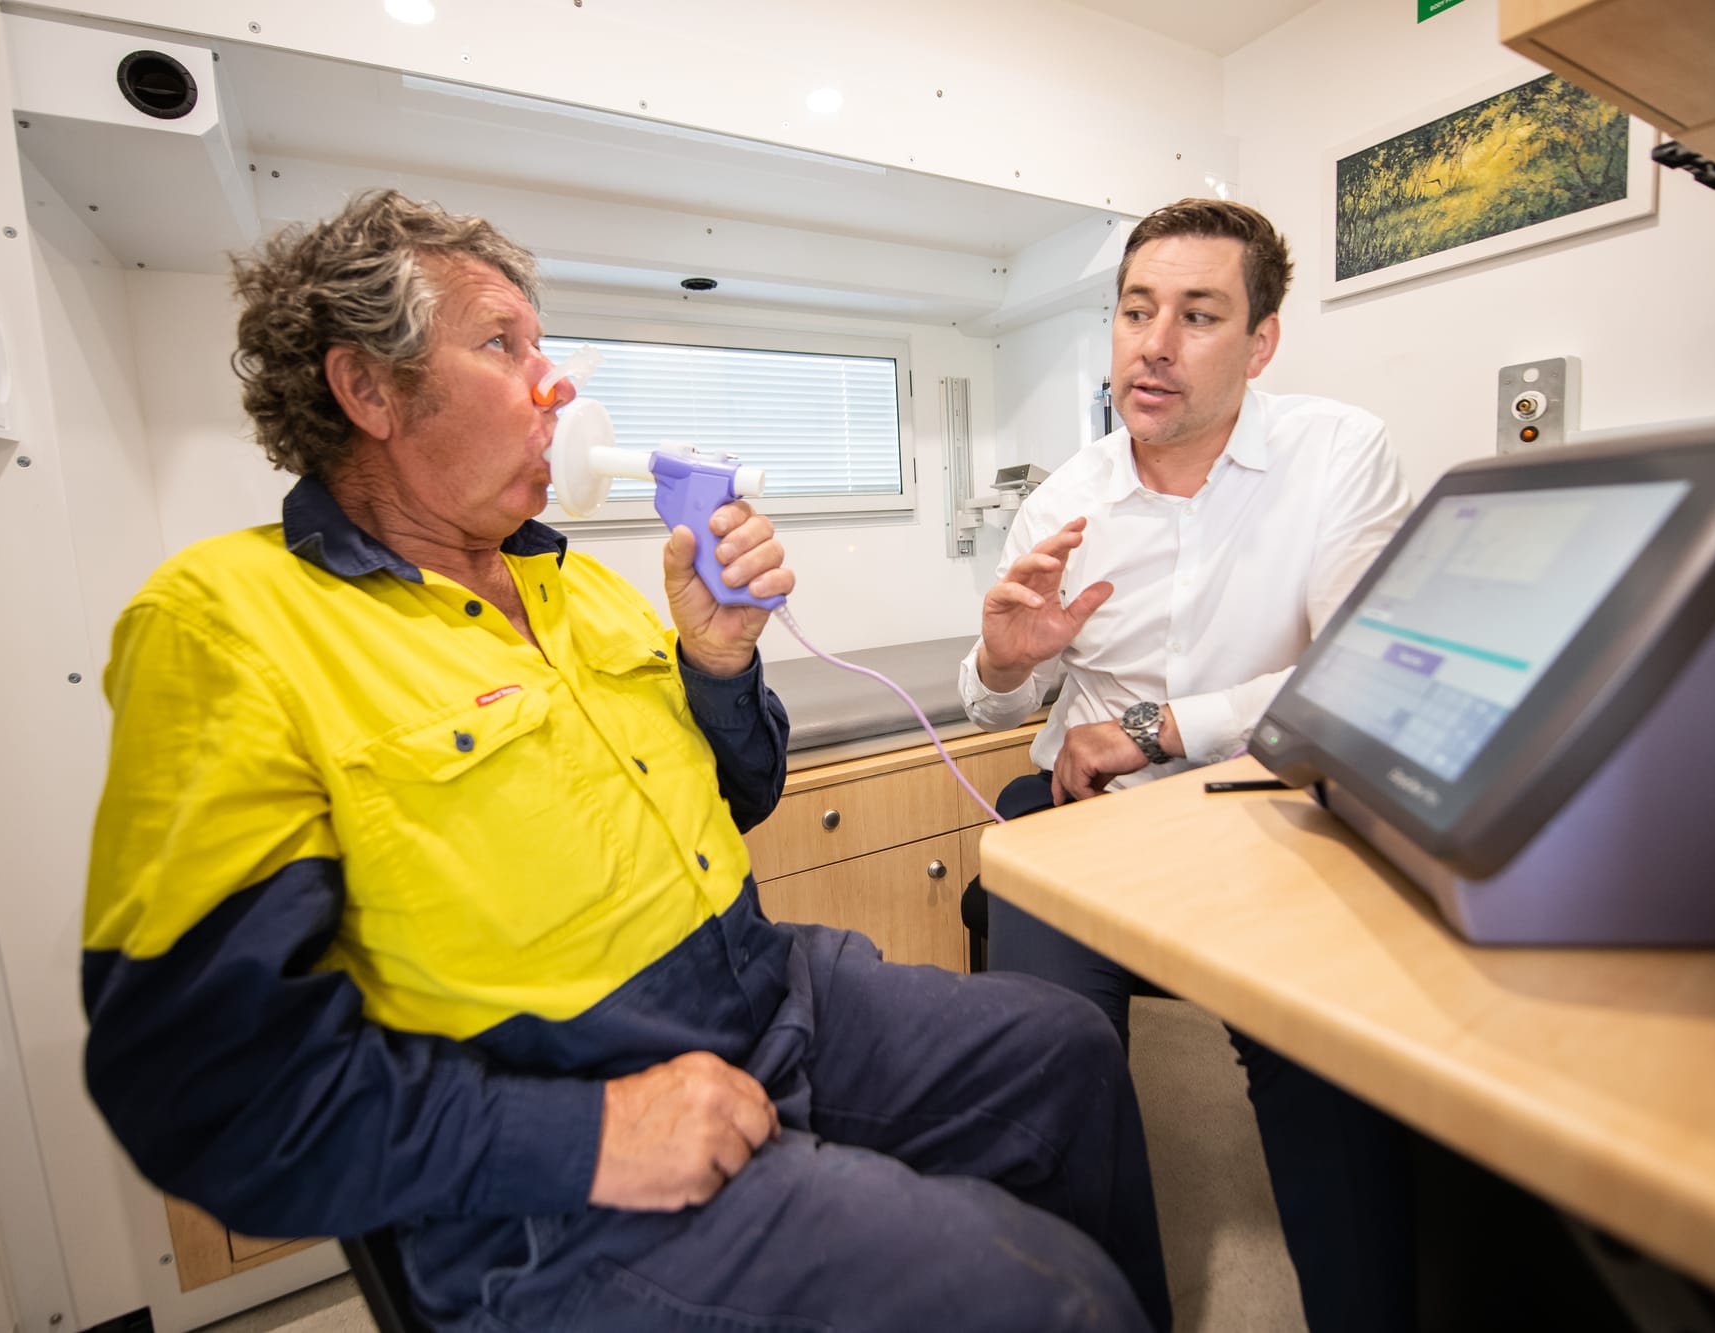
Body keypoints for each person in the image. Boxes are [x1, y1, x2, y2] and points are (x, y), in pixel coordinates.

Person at [79, 189, 1172, 1333]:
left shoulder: (579, 586)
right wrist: (587, 1136)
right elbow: (201, 1089)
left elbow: (738, 793)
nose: (556, 386)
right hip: (555, 1126)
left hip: (766, 992)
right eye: (502, 344)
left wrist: (716, 661)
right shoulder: (227, 623)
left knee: (1064, 1049)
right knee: (1045, 1301)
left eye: (544, 346)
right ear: (367, 390)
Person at [958, 198, 1415, 1333]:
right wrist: (1001, 658)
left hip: (1269, 815)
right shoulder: (1063, 501)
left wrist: (1163, 725)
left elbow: (1354, 673)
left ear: (1259, 342)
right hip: (1086, 818)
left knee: (1325, 1066)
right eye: (1134, 310)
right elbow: (991, 694)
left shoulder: (1335, 454)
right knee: (1043, 1057)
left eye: (1197, 314)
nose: (1152, 344)